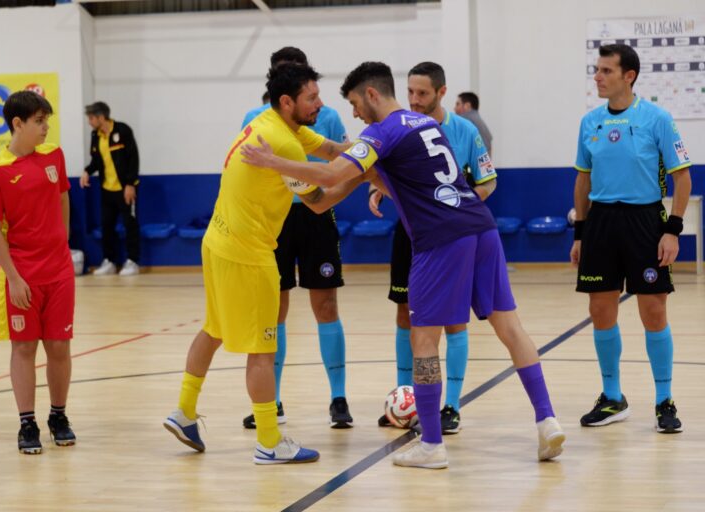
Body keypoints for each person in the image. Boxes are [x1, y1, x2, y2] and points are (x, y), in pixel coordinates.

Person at [241, 61, 565, 469]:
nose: (355, 114)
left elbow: (331, 174)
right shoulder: (425, 124)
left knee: (424, 341)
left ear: (372, 94)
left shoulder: (383, 131)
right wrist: (313, 181)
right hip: (481, 227)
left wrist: (275, 163)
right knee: (511, 328)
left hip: (440, 238)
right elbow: (325, 198)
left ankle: (431, 444)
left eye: (355, 104)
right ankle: (547, 421)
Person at [163, 63, 365, 464]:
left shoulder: (271, 124)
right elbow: (319, 200)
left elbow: (330, 150)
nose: (320, 104)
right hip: (247, 254)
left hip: (217, 242)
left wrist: (373, 150)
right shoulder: (283, 144)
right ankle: (269, 442)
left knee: (214, 329)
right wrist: (363, 176)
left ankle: (183, 411)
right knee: (262, 349)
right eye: (312, 97)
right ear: (288, 101)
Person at [369, 62, 497, 434]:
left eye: (422, 93)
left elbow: (488, 181)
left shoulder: (465, 131)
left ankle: (451, 405)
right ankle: (405, 399)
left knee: (454, 318)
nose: (414, 99)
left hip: (452, 234)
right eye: (410, 91)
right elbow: (383, 172)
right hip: (411, 231)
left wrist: (459, 206)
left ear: (442, 92)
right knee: (405, 312)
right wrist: (377, 189)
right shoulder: (399, 127)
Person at [571, 44, 691, 434]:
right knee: (600, 309)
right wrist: (580, 234)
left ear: (629, 76)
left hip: (645, 222)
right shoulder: (589, 122)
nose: (597, 77)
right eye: (597, 70)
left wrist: (672, 230)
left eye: (606, 71)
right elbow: (583, 181)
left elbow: (683, 178)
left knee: (653, 311)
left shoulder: (657, 119)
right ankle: (612, 397)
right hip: (601, 222)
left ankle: (664, 400)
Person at [241, 46, 353, 429]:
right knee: (274, 309)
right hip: (273, 220)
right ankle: (272, 400)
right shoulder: (255, 120)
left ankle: (338, 398)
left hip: (315, 215)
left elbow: (341, 159)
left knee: (326, 305)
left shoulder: (327, 116)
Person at [0, 90, 76, 454]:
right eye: (39, 121)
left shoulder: (54, 155)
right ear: (17, 124)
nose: (45, 127)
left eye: (46, 120)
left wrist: (63, 241)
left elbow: (63, 196)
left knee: (59, 346)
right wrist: (14, 277)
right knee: (24, 347)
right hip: (22, 274)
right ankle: (27, 423)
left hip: (59, 270)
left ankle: (58, 416)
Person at [80, 101, 141, 276]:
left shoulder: (122, 130)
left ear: (101, 117)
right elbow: (96, 161)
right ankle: (109, 261)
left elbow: (133, 158)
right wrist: (87, 171)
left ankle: (133, 261)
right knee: (107, 227)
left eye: (91, 118)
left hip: (125, 189)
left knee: (130, 225)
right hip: (106, 189)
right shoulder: (95, 135)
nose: (89, 122)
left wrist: (130, 184)